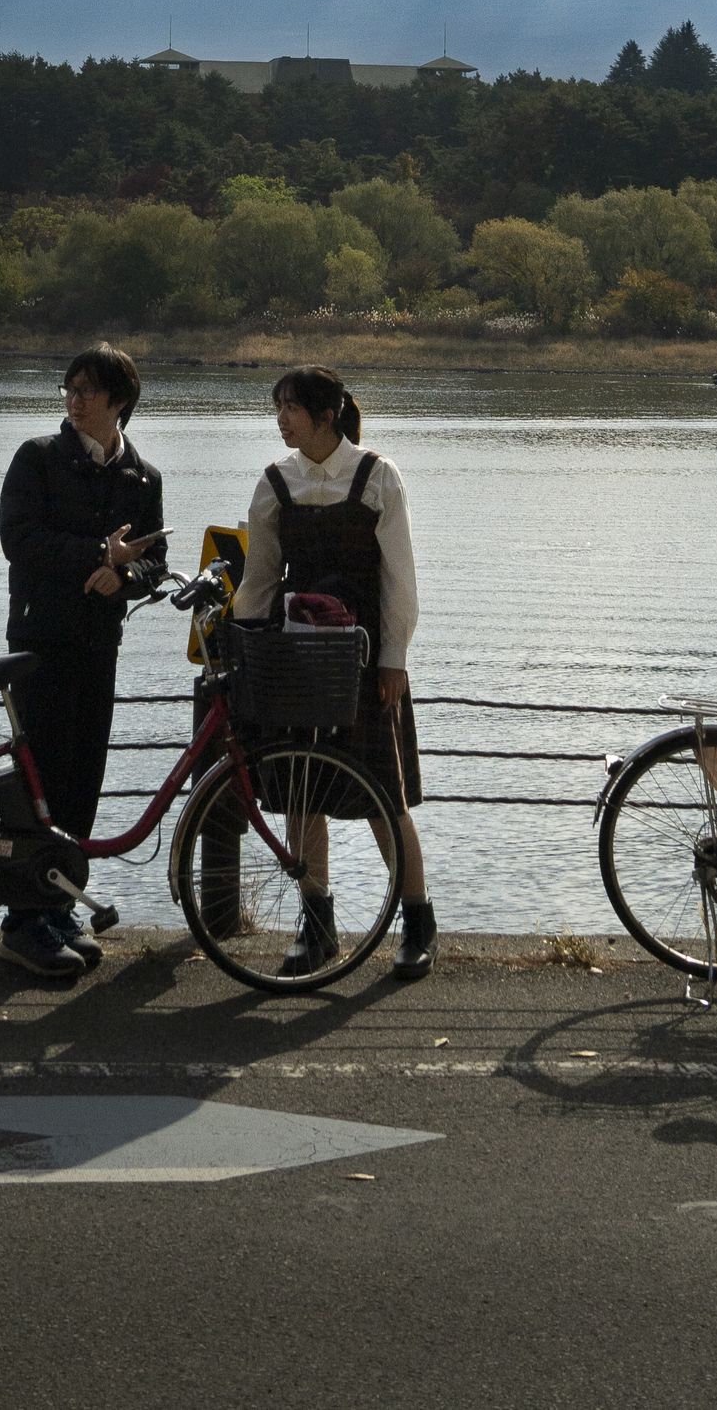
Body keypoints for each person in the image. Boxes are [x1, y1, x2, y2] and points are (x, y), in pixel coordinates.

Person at [231, 366, 437, 980]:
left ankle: (418, 922)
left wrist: (395, 659)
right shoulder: (275, 483)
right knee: (300, 792)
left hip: (367, 657)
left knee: (385, 796)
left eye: (291, 407)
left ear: (326, 414)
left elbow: (399, 578)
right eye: (277, 407)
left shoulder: (378, 476)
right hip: (298, 655)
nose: (280, 418)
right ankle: (317, 924)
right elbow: (261, 581)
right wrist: (238, 642)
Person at [0, 345, 164, 982]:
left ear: (120, 400)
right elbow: (19, 541)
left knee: (82, 781)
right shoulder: (38, 457)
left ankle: (57, 907)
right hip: (39, 643)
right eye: (69, 387)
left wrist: (126, 579)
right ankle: (21, 922)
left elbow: (154, 558)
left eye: (89, 390)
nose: (74, 398)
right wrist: (98, 552)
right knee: (39, 784)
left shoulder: (142, 477)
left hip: (99, 646)